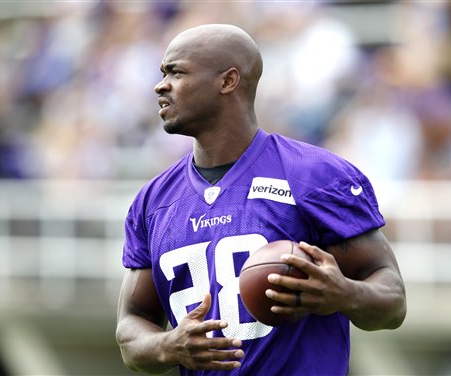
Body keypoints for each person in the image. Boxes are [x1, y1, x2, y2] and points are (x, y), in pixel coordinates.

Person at [116, 24, 406, 376]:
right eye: (163, 73)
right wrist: (169, 344)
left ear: (228, 81)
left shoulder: (313, 175)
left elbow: (392, 299)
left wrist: (344, 293)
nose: (161, 85)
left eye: (176, 72)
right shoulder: (154, 201)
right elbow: (132, 325)